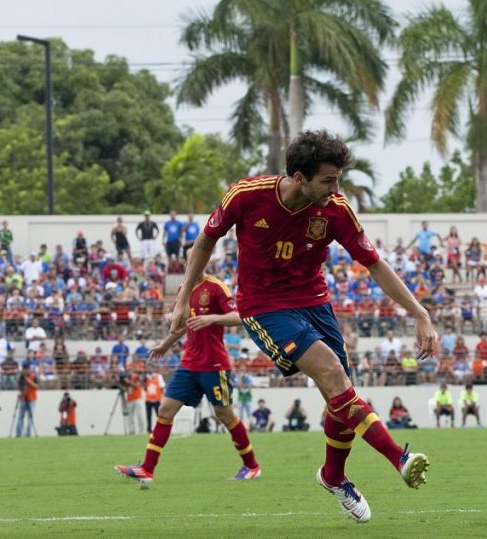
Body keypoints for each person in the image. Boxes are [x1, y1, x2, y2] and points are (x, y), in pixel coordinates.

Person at [168, 130, 432, 522]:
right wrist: (180, 300)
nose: (335, 188)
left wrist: (419, 312)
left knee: (337, 393)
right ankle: (399, 458)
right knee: (332, 374)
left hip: (315, 303)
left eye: (338, 179)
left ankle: (333, 476)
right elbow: (204, 243)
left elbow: (374, 263)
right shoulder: (246, 195)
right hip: (265, 308)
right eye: (328, 180)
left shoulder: (336, 209)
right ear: (299, 176)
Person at [115, 273, 262, 485]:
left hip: (214, 365)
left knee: (225, 414)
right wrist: (166, 344)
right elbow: (184, 324)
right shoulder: (184, 288)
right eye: (189, 259)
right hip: (189, 364)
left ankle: (251, 465)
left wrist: (212, 318)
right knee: (165, 410)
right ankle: (146, 469)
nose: (193, 262)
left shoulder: (217, 287)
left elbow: (238, 317)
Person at [15, 365, 38, 438]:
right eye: (23, 369)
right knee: (20, 416)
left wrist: (29, 381)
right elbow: (20, 388)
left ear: (28, 369)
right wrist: (21, 394)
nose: (24, 371)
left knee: (30, 417)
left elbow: (36, 386)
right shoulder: (21, 378)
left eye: (26, 369)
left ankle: (28, 433)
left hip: (31, 399)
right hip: (23, 399)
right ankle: (19, 433)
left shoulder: (33, 376)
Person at [143, 368, 165, 433]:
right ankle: (149, 429)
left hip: (156, 399)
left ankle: (160, 428)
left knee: (158, 415)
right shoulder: (146, 378)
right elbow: (144, 388)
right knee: (148, 416)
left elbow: (162, 387)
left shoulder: (159, 376)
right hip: (148, 399)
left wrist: (163, 398)